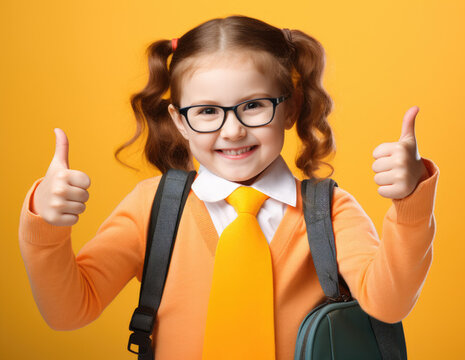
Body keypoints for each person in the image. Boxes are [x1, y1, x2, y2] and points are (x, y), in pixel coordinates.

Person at [18, 15, 439, 360]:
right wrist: (47, 228)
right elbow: (69, 311)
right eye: (206, 111)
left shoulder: (329, 211)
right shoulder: (152, 207)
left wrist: (409, 204)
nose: (232, 130)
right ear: (181, 121)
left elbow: (388, 304)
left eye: (253, 105)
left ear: (289, 108)